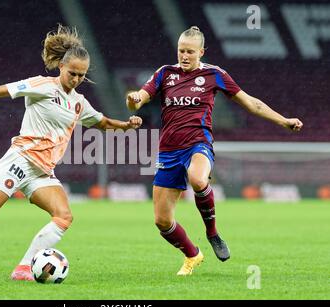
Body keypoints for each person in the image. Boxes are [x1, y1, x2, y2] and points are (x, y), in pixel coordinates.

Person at [0, 25, 142, 281]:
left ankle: (22, 270)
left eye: (81, 76)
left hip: (42, 172)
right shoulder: (41, 85)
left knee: (64, 216)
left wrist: (126, 124)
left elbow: (102, 122)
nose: (75, 79)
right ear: (61, 67)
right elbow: (1, 90)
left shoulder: (78, 103)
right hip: (20, 160)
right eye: (72, 73)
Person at [126, 26, 303, 276]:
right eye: (180, 51)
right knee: (162, 221)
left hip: (199, 143)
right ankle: (192, 254)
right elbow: (139, 98)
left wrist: (283, 120)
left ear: (201, 52)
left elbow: (252, 103)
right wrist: (134, 99)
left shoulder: (214, 74)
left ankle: (213, 233)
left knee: (198, 178)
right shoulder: (165, 73)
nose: (184, 56)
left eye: (189, 51)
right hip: (168, 151)